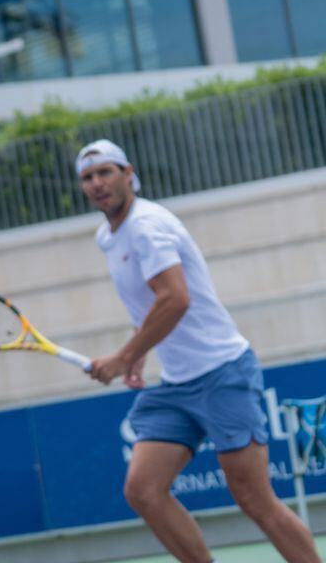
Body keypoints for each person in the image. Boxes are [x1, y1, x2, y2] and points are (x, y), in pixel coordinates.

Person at [77, 139, 321, 563]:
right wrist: (138, 354)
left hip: (222, 373)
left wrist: (121, 356)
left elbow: (175, 298)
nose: (97, 183)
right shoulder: (108, 237)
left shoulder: (147, 226)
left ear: (128, 173)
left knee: (254, 499)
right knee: (144, 491)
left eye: (106, 172)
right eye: (87, 177)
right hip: (176, 385)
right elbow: (149, 302)